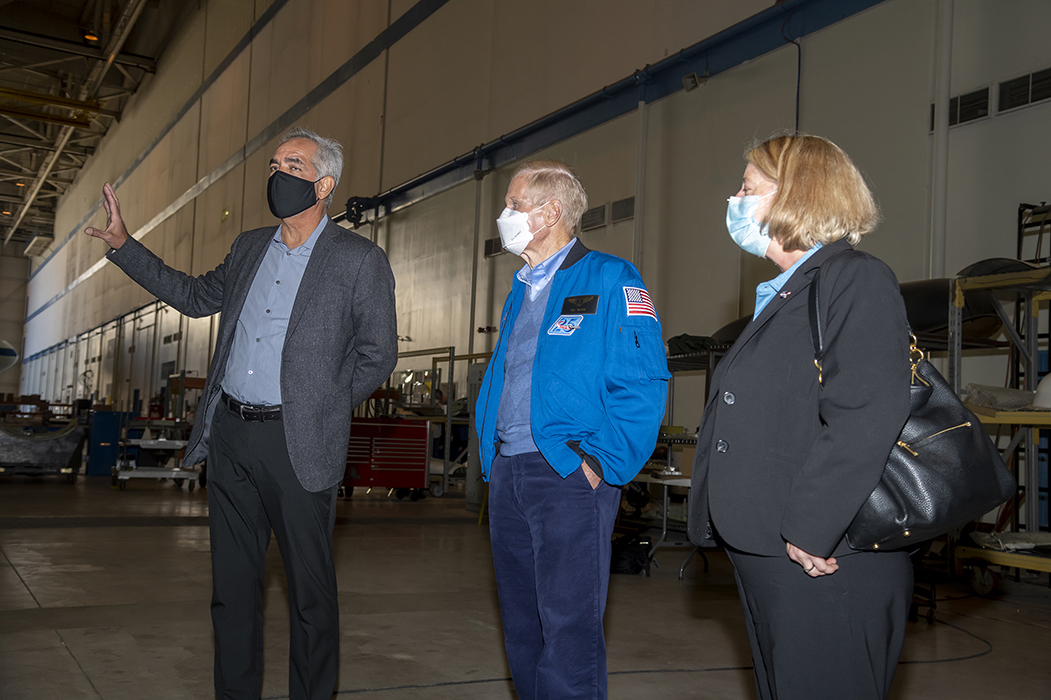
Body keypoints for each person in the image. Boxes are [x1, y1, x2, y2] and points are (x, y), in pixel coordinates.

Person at [85, 127, 398, 700]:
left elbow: (380, 353)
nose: (278, 174)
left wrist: (321, 407)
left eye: (294, 165)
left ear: (323, 184)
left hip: (298, 442)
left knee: (309, 595)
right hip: (230, 436)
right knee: (231, 590)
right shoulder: (251, 247)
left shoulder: (359, 260)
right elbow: (195, 296)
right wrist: (124, 246)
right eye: (275, 163)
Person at [688, 134, 913, 700]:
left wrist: (814, 526)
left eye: (747, 188)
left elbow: (865, 411)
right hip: (771, 544)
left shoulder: (855, 278)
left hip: (822, 554)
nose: (734, 200)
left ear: (796, 195)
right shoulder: (786, 292)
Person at [475, 160, 670, 699]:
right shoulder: (522, 290)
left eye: (515, 205)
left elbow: (644, 380)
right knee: (522, 626)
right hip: (509, 471)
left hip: (566, 472)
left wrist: (599, 464)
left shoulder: (611, 278)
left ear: (552, 211)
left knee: (568, 628)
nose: (505, 216)